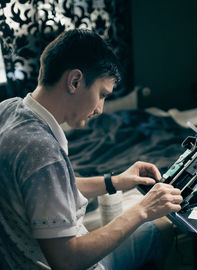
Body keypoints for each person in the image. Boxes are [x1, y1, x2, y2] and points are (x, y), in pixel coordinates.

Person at [0, 29, 183, 270]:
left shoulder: (8, 109)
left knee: (149, 233)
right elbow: (67, 260)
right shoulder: (43, 152)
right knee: (158, 231)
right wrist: (143, 209)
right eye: (102, 95)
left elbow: (48, 190)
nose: (100, 109)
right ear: (75, 81)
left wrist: (115, 181)